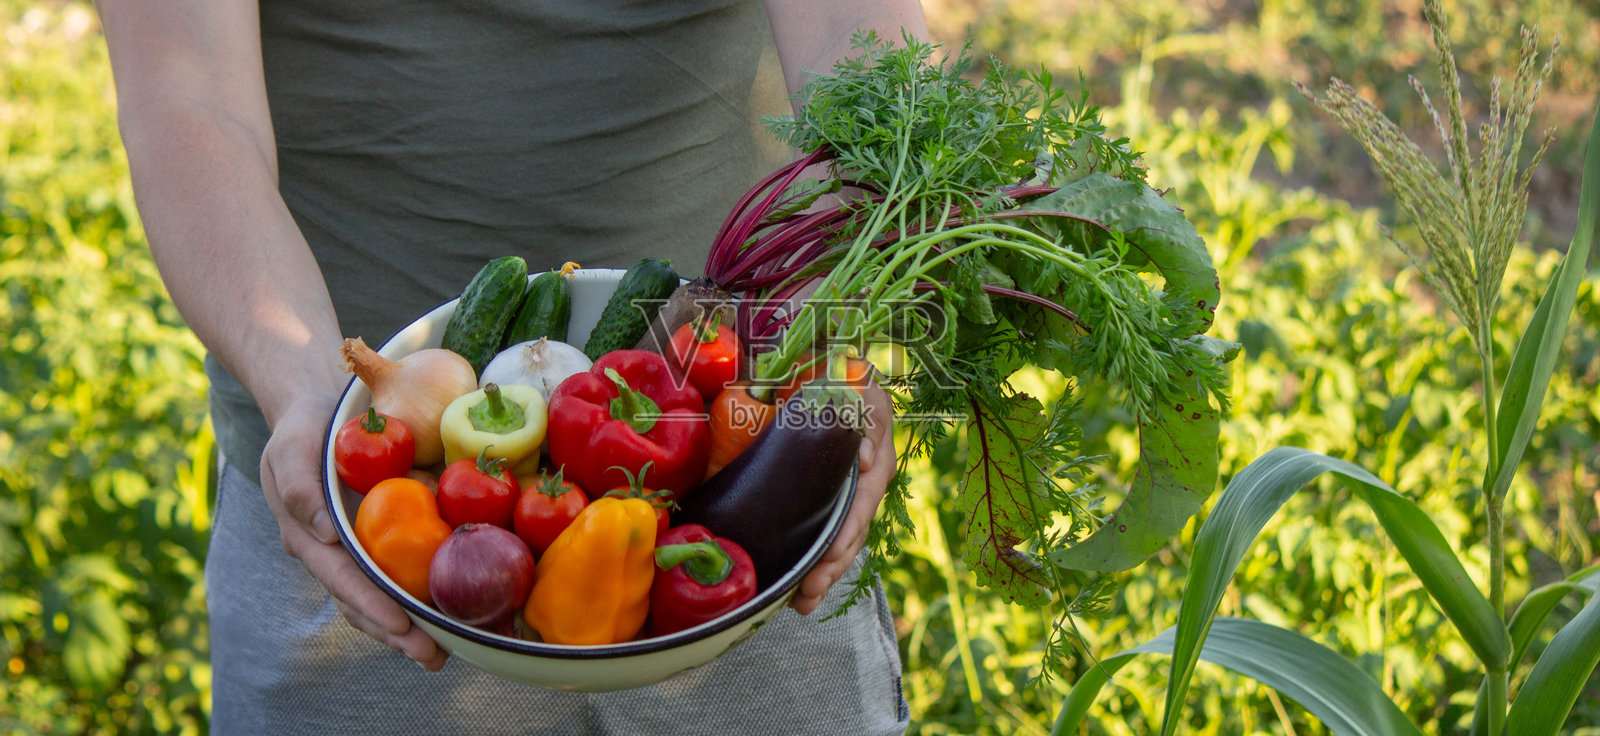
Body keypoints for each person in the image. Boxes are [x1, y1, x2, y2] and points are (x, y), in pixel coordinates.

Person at [96, 0, 928, 732]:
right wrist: (309, 395)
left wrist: (828, 337)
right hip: (352, 509)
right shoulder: (343, 464)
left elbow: (861, 55)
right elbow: (185, 94)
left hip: (756, 479)